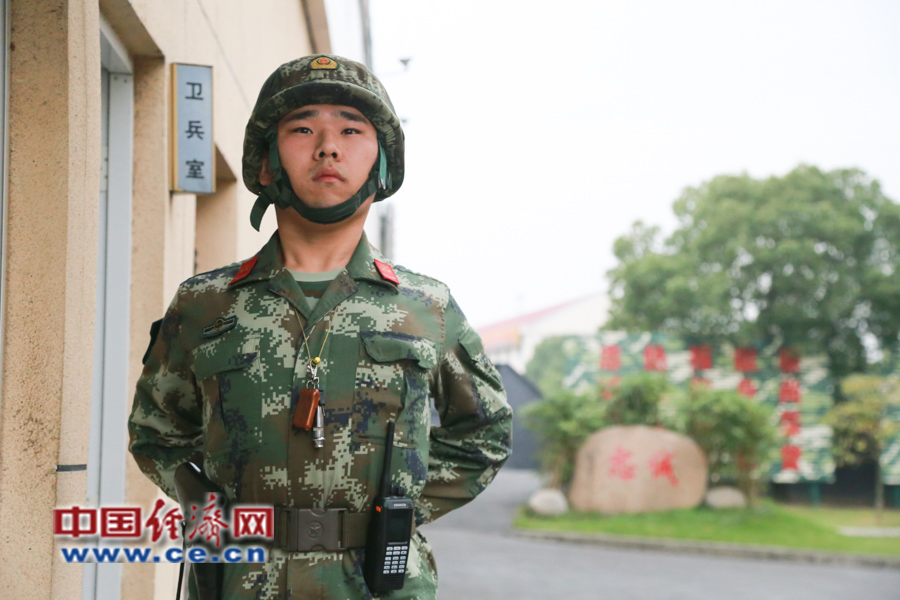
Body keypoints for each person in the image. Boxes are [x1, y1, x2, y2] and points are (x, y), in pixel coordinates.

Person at [128, 54, 513, 600]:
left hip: (376, 582)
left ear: (382, 165)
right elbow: (155, 434)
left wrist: (395, 512)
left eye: (352, 130)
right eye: (303, 128)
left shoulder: (427, 306)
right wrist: (207, 508)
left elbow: (486, 434)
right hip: (239, 578)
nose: (328, 146)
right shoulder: (205, 304)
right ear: (266, 165)